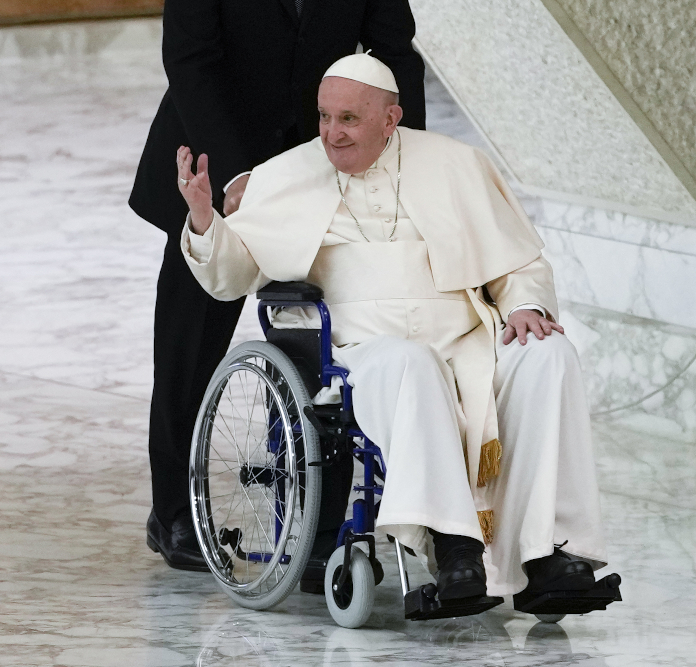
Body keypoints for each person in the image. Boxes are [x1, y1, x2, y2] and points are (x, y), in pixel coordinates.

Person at [173, 53, 608, 600]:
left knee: (549, 354)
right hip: (365, 351)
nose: (332, 133)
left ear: (391, 118)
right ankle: (454, 547)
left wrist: (527, 307)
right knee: (412, 363)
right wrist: (204, 220)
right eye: (325, 116)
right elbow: (231, 275)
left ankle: (548, 551)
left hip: (471, 338)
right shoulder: (284, 176)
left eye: (349, 119)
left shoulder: (455, 164)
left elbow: (519, 264)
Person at [130, 0, 427, 581]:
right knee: (189, 351)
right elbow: (191, 60)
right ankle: (174, 512)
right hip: (214, 161)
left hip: (320, 164)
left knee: (321, 349)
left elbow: (395, 51)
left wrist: (406, 156)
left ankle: (315, 521)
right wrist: (240, 174)